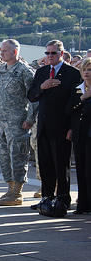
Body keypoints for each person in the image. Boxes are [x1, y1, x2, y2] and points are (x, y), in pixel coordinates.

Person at [0, 39, 36, 206]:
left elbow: (34, 98)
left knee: (17, 155)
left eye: (5, 50)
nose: (1, 53)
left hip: (16, 121)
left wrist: (30, 119)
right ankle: (9, 189)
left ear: (15, 52)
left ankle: (17, 192)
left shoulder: (25, 71)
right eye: (0, 51)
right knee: (4, 157)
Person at [28, 40, 81, 203]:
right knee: (45, 165)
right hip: (43, 126)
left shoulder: (72, 73)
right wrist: (43, 87)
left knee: (61, 166)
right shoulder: (42, 72)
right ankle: (46, 198)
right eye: (47, 53)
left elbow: (76, 102)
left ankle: (63, 199)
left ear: (62, 54)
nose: (50, 56)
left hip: (62, 127)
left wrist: (72, 128)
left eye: (53, 53)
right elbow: (31, 95)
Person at [67, 57, 91, 214]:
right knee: (81, 170)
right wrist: (83, 97)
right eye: (84, 70)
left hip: (90, 134)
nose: (86, 73)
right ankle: (82, 204)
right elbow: (70, 110)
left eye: (89, 70)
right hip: (79, 133)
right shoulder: (78, 88)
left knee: (89, 170)